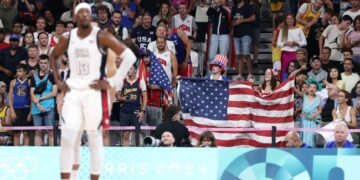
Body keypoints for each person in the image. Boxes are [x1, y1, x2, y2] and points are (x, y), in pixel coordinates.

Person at [49, 3, 136, 180]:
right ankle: (70, 176)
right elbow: (53, 55)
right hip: (74, 91)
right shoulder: (68, 37)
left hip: (96, 93)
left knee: (93, 136)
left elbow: (123, 62)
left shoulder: (103, 41)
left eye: (89, 15)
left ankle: (94, 176)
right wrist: (58, 81)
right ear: (74, 17)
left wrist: (112, 84)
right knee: (69, 136)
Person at [30, 54, 57, 146]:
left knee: (50, 131)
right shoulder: (34, 76)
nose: (43, 65)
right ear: (38, 63)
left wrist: (40, 98)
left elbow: (54, 93)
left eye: (45, 63)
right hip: (36, 107)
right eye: (41, 63)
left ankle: (52, 153)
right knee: (38, 131)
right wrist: (39, 106)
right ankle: (38, 154)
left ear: (48, 63)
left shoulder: (53, 75)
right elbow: (32, 94)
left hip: (49, 107)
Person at [118, 65, 147, 146]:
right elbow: (118, 96)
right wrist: (122, 98)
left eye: (131, 68)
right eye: (127, 69)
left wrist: (143, 111)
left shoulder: (141, 81)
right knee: (125, 135)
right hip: (125, 112)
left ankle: (137, 154)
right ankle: (126, 155)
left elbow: (145, 97)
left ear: (135, 70)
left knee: (136, 135)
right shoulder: (122, 81)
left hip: (136, 111)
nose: (128, 70)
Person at [277, 14, 307, 81]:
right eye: (287, 18)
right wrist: (286, 43)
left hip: (296, 53)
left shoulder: (299, 30)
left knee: (295, 69)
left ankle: (295, 83)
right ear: (285, 20)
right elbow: (278, 44)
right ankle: (284, 84)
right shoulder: (282, 30)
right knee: (285, 70)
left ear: (294, 20)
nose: (289, 20)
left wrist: (296, 43)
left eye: (291, 18)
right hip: (285, 54)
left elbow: (305, 42)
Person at [8, 64, 32, 146]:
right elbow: (9, 97)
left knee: (26, 133)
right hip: (16, 109)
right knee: (16, 132)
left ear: (25, 72)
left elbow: (32, 99)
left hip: (26, 109)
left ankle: (26, 152)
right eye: (17, 71)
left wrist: (30, 113)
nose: (18, 73)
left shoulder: (29, 82)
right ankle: (16, 153)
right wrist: (11, 110)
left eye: (20, 71)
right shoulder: (13, 82)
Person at [301, 78, 322, 147]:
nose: (312, 89)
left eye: (314, 87)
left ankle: (311, 151)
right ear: (308, 88)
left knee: (312, 137)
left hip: (312, 120)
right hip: (304, 120)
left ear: (316, 90)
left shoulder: (318, 98)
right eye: (310, 87)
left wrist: (314, 115)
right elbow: (295, 90)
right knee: (304, 136)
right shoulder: (304, 96)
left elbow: (320, 110)